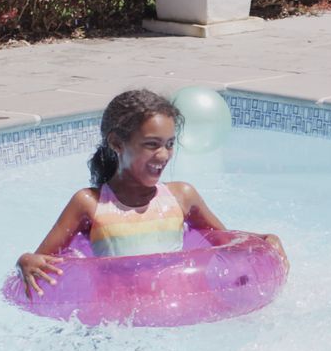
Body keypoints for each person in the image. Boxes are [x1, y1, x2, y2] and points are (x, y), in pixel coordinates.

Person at [16, 89, 287, 298]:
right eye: (151, 144)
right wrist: (25, 260)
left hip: (176, 307)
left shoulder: (182, 196)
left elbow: (224, 246)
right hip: (116, 318)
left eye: (169, 144)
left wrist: (262, 240)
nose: (163, 155)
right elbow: (42, 259)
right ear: (117, 143)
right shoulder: (90, 203)